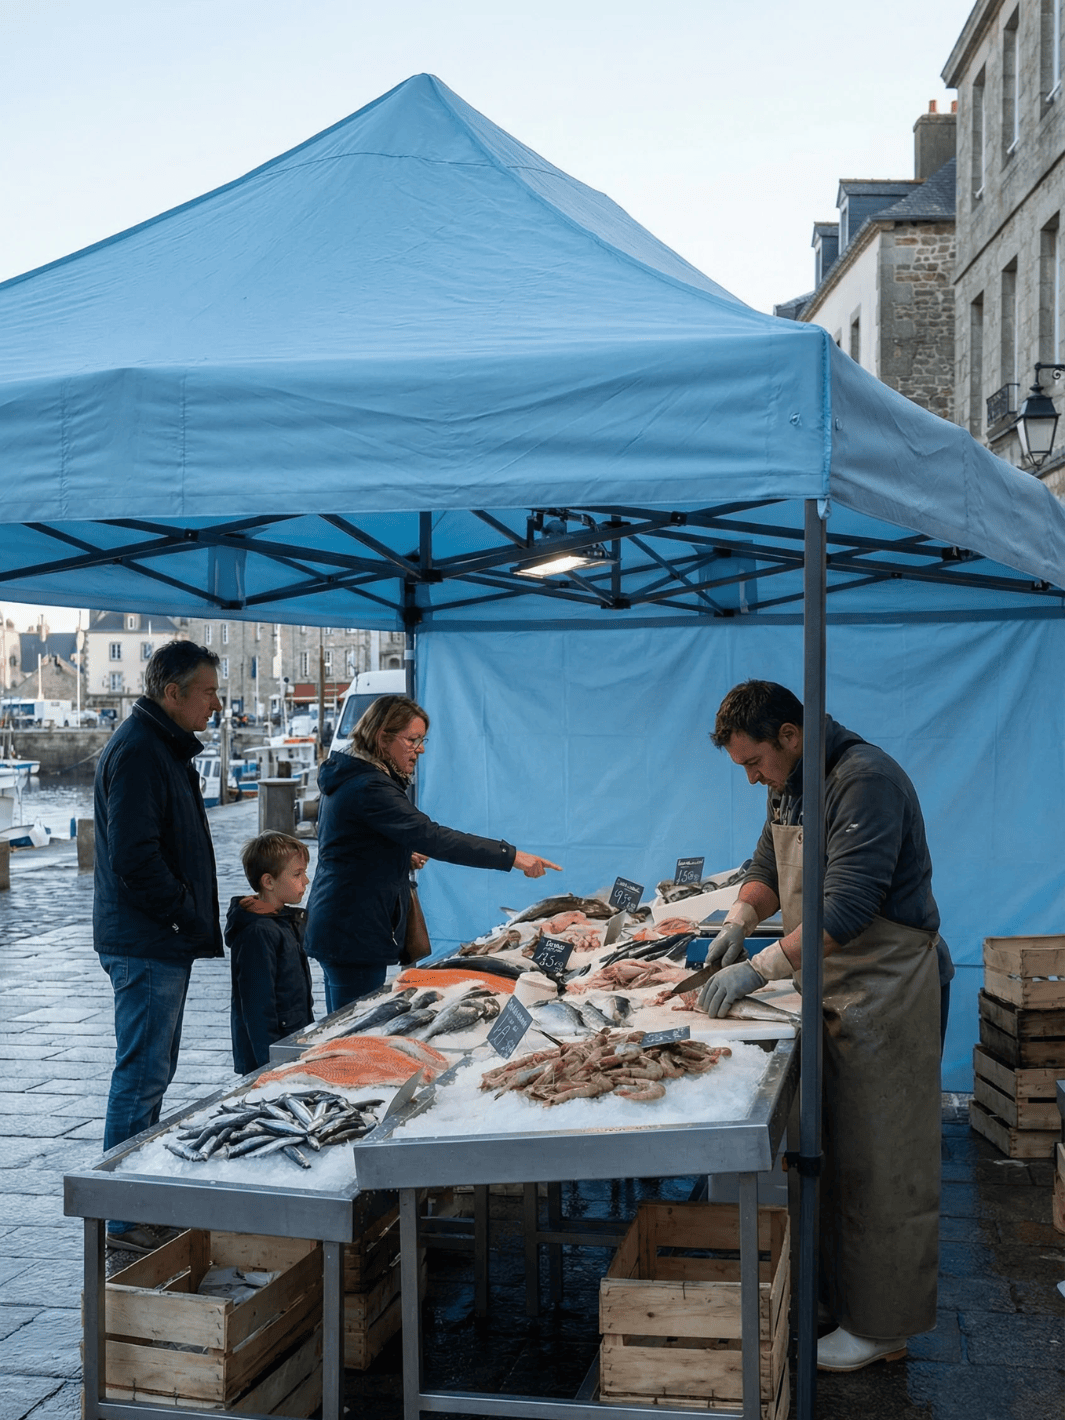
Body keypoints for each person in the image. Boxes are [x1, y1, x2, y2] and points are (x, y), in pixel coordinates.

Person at [699, 680, 950, 1373]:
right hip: (831, 988)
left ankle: (882, 1327)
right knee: (832, 1161)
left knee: (882, 1165)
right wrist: (738, 921)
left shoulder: (864, 780)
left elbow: (846, 909)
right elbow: (763, 866)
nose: (752, 778)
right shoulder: (791, 781)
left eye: (755, 763)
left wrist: (757, 971)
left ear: (790, 733)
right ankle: (837, 1301)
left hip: (884, 991)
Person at [304, 693, 561, 1012]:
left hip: (347, 924)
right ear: (383, 737)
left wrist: (396, 852)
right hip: (352, 930)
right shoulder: (369, 786)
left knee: (349, 1020)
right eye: (412, 740)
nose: (420, 749)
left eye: (422, 740)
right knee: (350, 1028)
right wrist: (512, 857)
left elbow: (350, 841)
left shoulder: (355, 774)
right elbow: (433, 837)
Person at [94, 641, 224, 1254]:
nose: (216, 703)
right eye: (207, 691)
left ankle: (136, 1200)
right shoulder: (143, 751)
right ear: (171, 693)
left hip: (155, 938)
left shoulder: (159, 745)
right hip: (147, 940)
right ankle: (122, 1217)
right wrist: (181, 913)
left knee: (152, 1071)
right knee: (142, 1075)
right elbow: (134, 857)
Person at [226, 832, 314, 1074]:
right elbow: (256, 1006)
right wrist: (269, 1065)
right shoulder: (258, 932)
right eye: (297, 874)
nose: (305, 880)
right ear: (269, 882)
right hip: (271, 1055)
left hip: (291, 1042)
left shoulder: (286, 920)